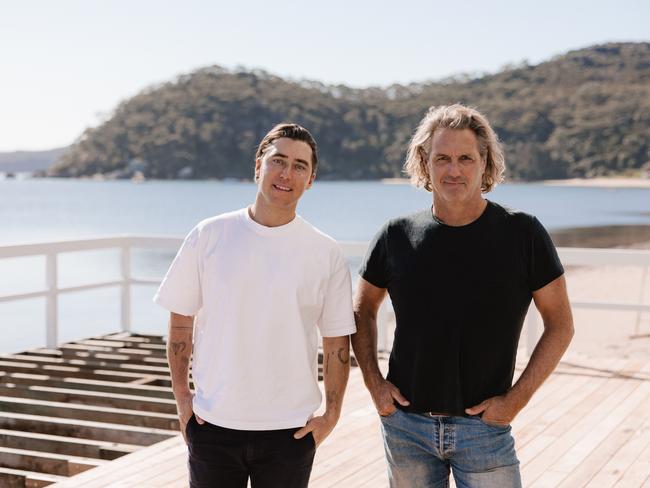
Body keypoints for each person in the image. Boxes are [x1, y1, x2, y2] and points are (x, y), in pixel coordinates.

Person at [351, 104, 574, 487]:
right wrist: (375, 385)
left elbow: (561, 325)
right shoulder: (396, 235)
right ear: (425, 162)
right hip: (406, 429)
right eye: (442, 158)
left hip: (485, 430)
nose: (453, 170)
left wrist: (515, 401)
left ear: (485, 163)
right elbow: (362, 309)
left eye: (465, 158)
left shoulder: (523, 233)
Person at [154, 123, 356, 488]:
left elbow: (337, 342)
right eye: (278, 160)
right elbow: (181, 323)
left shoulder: (325, 252)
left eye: (299, 165)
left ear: (311, 179)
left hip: (290, 432)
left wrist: (331, 415)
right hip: (212, 426)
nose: (286, 173)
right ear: (258, 166)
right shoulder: (209, 235)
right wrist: (183, 400)